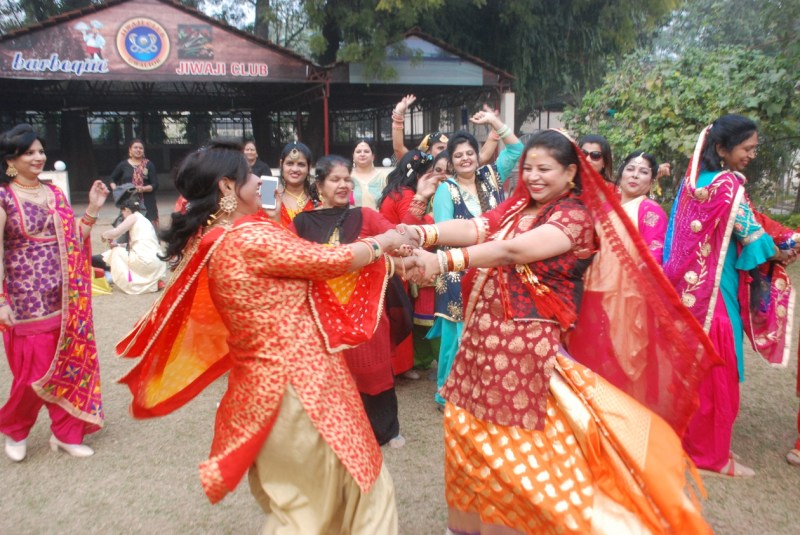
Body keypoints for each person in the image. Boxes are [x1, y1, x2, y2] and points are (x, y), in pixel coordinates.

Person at [406, 130, 712, 533]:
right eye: (528, 168)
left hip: (527, 356)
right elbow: (477, 227)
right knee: (467, 436)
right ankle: (466, 526)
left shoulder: (574, 216)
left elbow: (512, 250)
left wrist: (441, 262)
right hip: (481, 345)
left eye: (544, 169)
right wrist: (420, 234)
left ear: (570, 172)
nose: (533, 177)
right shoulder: (519, 207)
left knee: (514, 456)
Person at [117, 140, 416, 532]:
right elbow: (330, 260)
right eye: (249, 176)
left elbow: (294, 269)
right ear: (227, 187)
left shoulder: (219, 237)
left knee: (315, 500)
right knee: (342, 497)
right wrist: (383, 243)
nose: (260, 180)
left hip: (273, 385)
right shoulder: (247, 238)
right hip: (300, 388)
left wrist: (389, 259)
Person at [663, 114, 796, 477]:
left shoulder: (693, 182)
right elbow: (753, 237)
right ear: (722, 149)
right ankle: (711, 456)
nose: (751, 154)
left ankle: (694, 443)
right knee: (718, 372)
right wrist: (782, 251)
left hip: (688, 293)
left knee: (693, 370)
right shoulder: (727, 185)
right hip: (716, 295)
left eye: (754, 148)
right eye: (747, 148)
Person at [0, 124, 108, 461]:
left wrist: (93, 208)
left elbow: (75, 239)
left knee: (67, 364)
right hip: (25, 301)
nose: (38, 157)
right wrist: (0, 301)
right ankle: (14, 427)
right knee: (33, 373)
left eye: (40, 151)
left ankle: (66, 433)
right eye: (29, 152)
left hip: (64, 297)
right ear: (10, 160)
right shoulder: (4, 197)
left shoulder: (54, 194)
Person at [292, 155, 408, 448]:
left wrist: (409, 241)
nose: (343, 185)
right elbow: (291, 262)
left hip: (365, 312)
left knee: (374, 370)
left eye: (347, 179)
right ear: (320, 185)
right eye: (335, 180)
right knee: (330, 375)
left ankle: (386, 430)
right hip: (322, 314)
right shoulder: (302, 223)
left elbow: (395, 235)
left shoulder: (365, 216)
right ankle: (337, 431)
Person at [429, 109, 521, 407]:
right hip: (457, 270)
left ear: (478, 155)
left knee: (490, 329)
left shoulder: (492, 175)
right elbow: (443, 233)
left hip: (495, 267)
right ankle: (447, 392)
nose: (465, 159)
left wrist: (495, 123)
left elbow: (517, 150)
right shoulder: (446, 190)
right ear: (451, 162)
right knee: (456, 334)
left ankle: (483, 386)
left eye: (470, 153)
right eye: (459, 156)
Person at [378, 149, 443, 374]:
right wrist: (435, 218)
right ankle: (400, 365)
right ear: (419, 176)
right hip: (400, 260)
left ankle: (399, 364)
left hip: (391, 256)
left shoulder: (394, 191)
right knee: (401, 311)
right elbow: (409, 228)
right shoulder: (406, 195)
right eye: (430, 173)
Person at [98, 193, 167, 294]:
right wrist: (118, 245)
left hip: (145, 261)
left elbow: (116, 232)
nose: (123, 216)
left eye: (123, 212)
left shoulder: (133, 217)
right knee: (118, 249)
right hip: (158, 262)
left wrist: (104, 235)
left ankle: (126, 281)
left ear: (127, 210)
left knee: (116, 252)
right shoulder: (144, 220)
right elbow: (136, 244)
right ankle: (154, 283)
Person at [617, 151, 668, 264]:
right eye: (630, 169)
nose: (635, 175)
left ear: (652, 181)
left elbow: (654, 255)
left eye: (644, 172)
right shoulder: (609, 206)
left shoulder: (651, 211)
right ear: (621, 175)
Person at [108, 138, 159, 228]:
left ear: (143, 151)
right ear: (130, 150)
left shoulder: (149, 165)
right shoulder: (123, 165)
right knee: (129, 228)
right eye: (135, 147)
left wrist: (143, 189)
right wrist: (117, 191)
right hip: (128, 202)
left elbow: (155, 185)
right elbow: (112, 179)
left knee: (148, 228)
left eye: (141, 148)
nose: (138, 150)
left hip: (147, 202)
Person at [391, 94, 449, 160]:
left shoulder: (454, 164)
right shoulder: (417, 163)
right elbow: (398, 149)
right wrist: (398, 113)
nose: (446, 152)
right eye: (441, 148)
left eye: (448, 149)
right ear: (427, 151)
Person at [276, 141, 315, 227]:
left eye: (301, 164)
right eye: (290, 163)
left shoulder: (319, 200)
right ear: (281, 164)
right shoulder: (272, 199)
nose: (295, 169)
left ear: (309, 167)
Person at [351, 140, 387, 210]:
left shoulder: (383, 177)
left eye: (366, 151)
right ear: (353, 156)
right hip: (353, 217)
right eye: (358, 152)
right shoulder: (347, 177)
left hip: (378, 216)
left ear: (373, 156)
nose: (362, 154)